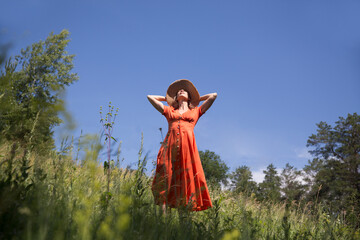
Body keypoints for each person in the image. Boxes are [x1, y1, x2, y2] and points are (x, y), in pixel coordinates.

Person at [147, 79, 217, 212]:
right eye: (179, 91)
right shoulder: (169, 111)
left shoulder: (196, 111)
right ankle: (163, 223)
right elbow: (150, 97)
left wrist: (195, 99)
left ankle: (183, 222)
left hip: (188, 150)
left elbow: (213, 95)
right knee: (164, 177)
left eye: (184, 91)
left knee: (186, 180)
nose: (181, 91)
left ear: (190, 97)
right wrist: (169, 99)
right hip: (169, 148)